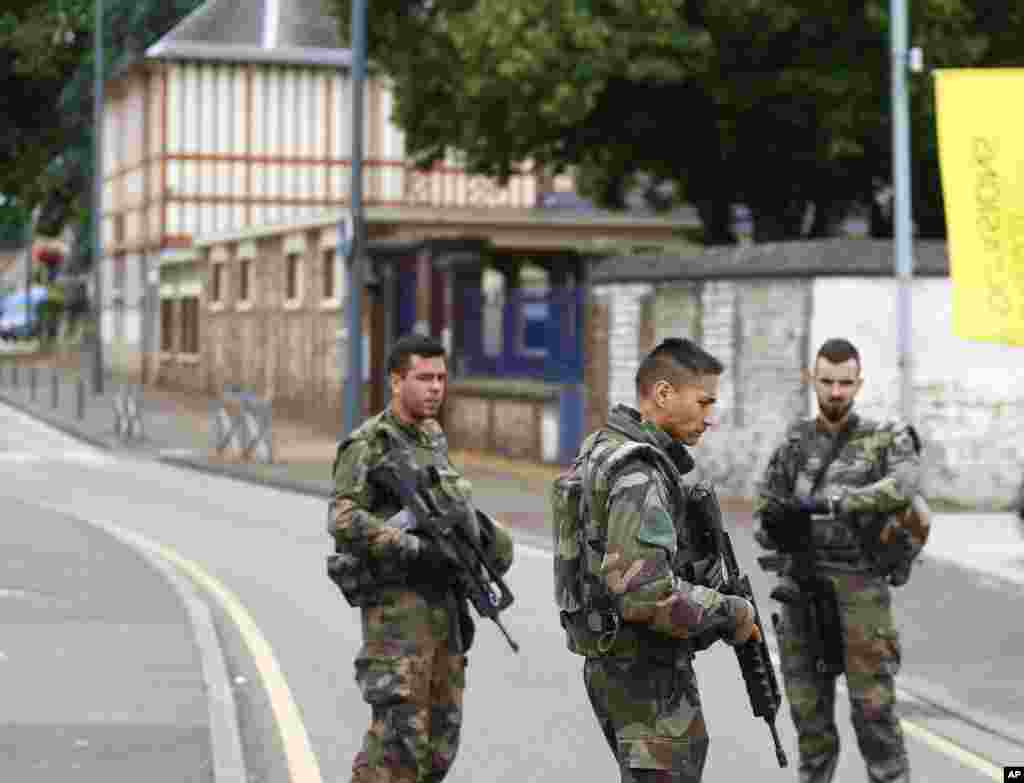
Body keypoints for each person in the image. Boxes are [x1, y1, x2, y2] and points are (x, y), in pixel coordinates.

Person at [553, 337, 762, 783]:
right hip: (644, 673)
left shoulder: (602, 447)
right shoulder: (639, 472)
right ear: (664, 393)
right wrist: (732, 612)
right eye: (704, 401)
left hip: (614, 665)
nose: (711, 416)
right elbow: (646, 595)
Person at [328, 334, 515, 783]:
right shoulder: (368, 443)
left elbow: (447, 510)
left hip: (443, 609)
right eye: (424, 377)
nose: (435, 388)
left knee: (439, 744)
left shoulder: (432, 437)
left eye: (441, 378)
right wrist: (413, 547)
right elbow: (342, 519)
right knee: (398, 745)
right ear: (397, 381)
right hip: (397, 612)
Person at [754, 337, 921, 783]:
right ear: (813, 379)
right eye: (826, 381)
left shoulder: (886, 438)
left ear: (858, 383)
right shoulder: (795, 442)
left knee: (875, 716)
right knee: (810, 724)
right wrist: (776, 524)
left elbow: (904, 485)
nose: (835, 392)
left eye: (845, 383)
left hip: (861, 591)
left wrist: (836, 503)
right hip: (801, 590)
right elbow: (764, 509)